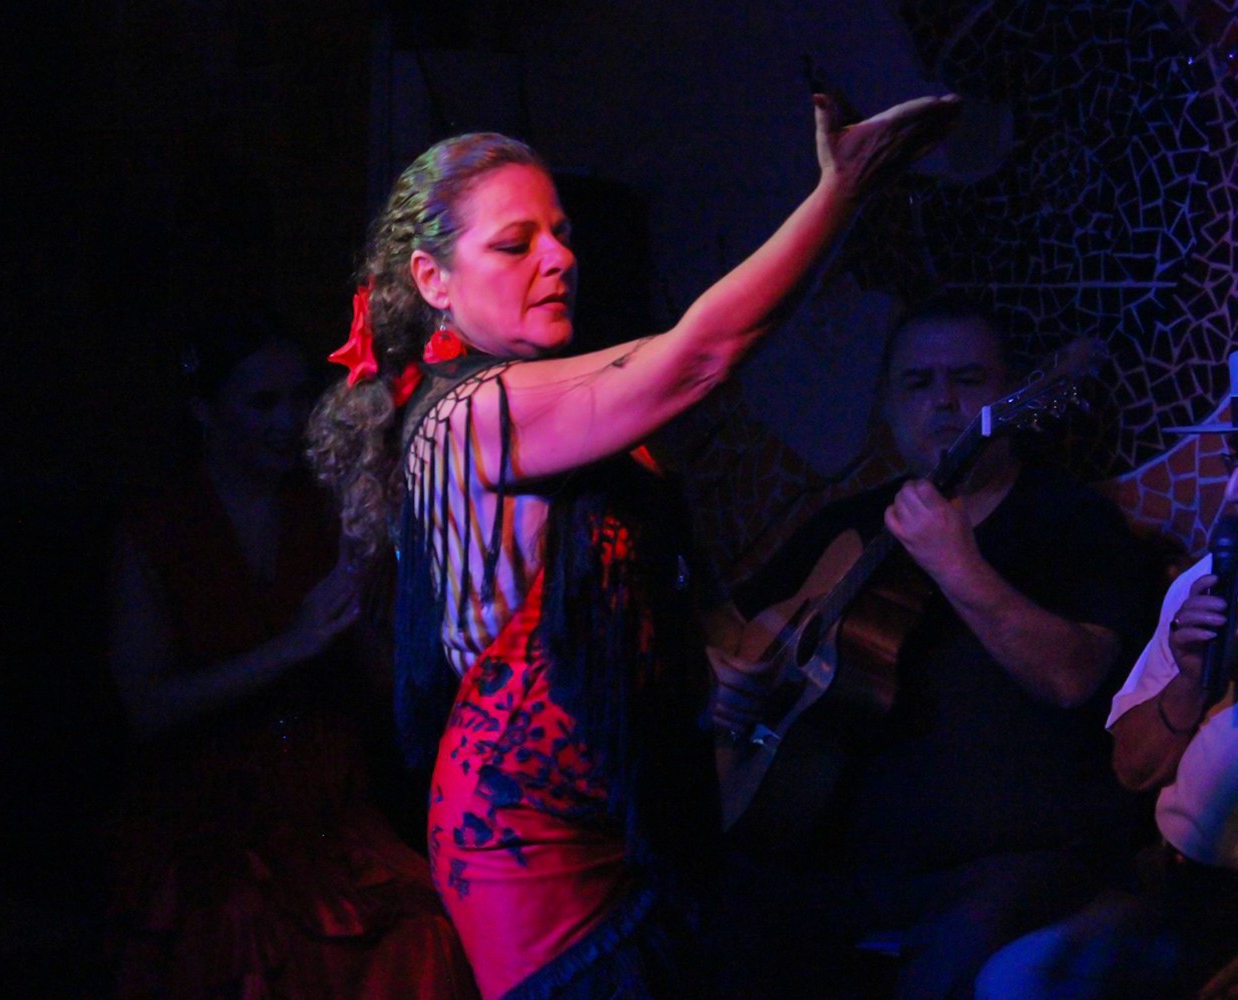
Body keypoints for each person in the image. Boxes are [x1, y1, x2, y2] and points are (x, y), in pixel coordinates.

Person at [305, 93, 960, 999]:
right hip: (530, 839)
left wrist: (717, 649)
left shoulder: (563, 405)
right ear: (432, 279)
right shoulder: (470, 415)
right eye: (515, 243)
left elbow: (656, 579)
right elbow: (702, 355)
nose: (560, 258)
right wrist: (838, 191)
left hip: (628, 800)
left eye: (561, 233)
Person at [708, 297, 1154, 1000]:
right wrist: (726, 674)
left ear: (1011, 397)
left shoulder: (1071, 519)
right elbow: (728, 624)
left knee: (954, 964)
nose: (943, 402)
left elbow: (1078, 678)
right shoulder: (853, 524)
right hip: (848, 859)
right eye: (919, 384)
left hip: (1015, 861)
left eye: (968, 380)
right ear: (888, 406)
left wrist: (956, 562)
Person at [106, 318, 476, 1000]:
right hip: (211, 821)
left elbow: (387, 686)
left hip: (328, 815)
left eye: (298, 400)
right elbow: (147, 708)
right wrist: (291, 647)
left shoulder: (328, 513)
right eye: (262, 403)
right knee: (240, 941)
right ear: (205, 412)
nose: (288, 422)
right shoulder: (157, 529)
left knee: (423, 937)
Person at [976, 334, 1238, 1000]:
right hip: (1180, 894)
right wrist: (1187, 677)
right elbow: (1130, 768)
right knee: (1014, 981)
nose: (1236, 494)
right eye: (1236, 465)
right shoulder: (1209, 585)